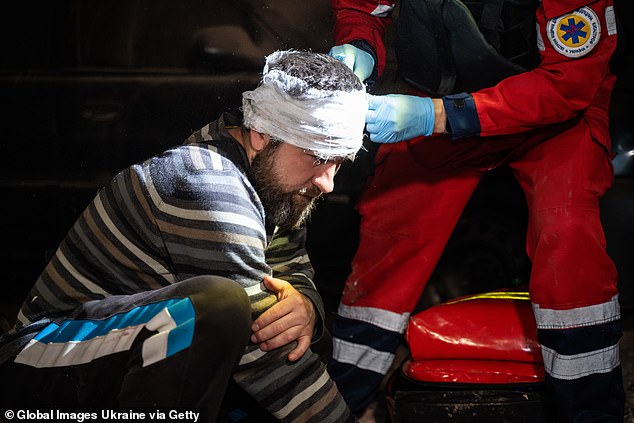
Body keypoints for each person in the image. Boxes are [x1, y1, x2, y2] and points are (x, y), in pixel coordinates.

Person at [0, 50, 368, 423]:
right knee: (220, 308)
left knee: (302, 329)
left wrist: (306, 305)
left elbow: (290, 266)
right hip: (35, 373)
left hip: (105, 359)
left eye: (339, 161)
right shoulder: (208, 184)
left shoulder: (269, 177)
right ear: (261, 133)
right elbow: (268, 358)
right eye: (317, 156)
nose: (328, 182)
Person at [327, 0, 625, 421]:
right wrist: (357, 44)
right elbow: (362, 7)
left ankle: (591, 411)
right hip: (440, 92)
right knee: (392, 228)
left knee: (567, 231)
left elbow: (569, 82)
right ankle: (336, 402)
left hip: (554, 109)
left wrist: (440, 116)